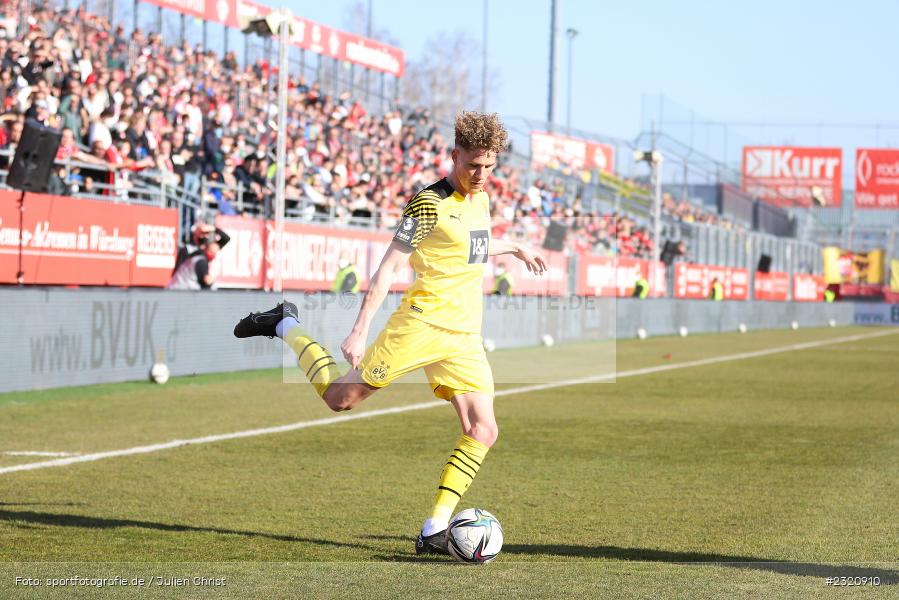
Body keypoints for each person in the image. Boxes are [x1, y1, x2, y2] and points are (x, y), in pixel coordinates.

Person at [233, 111, 547, 555]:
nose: (481, 174)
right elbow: (388, 268)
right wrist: (360, 330)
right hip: (418, 325)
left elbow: (472, 244)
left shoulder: (482, 199)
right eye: (473, 164)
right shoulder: (427, 204)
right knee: (338, 400)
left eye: (489, 166)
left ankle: (434, 529)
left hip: (463, 336)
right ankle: (285, 322)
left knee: (483, 429)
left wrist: (514, 245)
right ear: (455, 155)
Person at [167, 225, 230, 290]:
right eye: (202, 233)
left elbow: (226, 238)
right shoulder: (188, 249)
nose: (205, 235)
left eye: (207, 233)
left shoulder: (210, 246)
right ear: (195, 233)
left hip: (197, 283)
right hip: (183, 285)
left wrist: (214, 228)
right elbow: (178, 269)